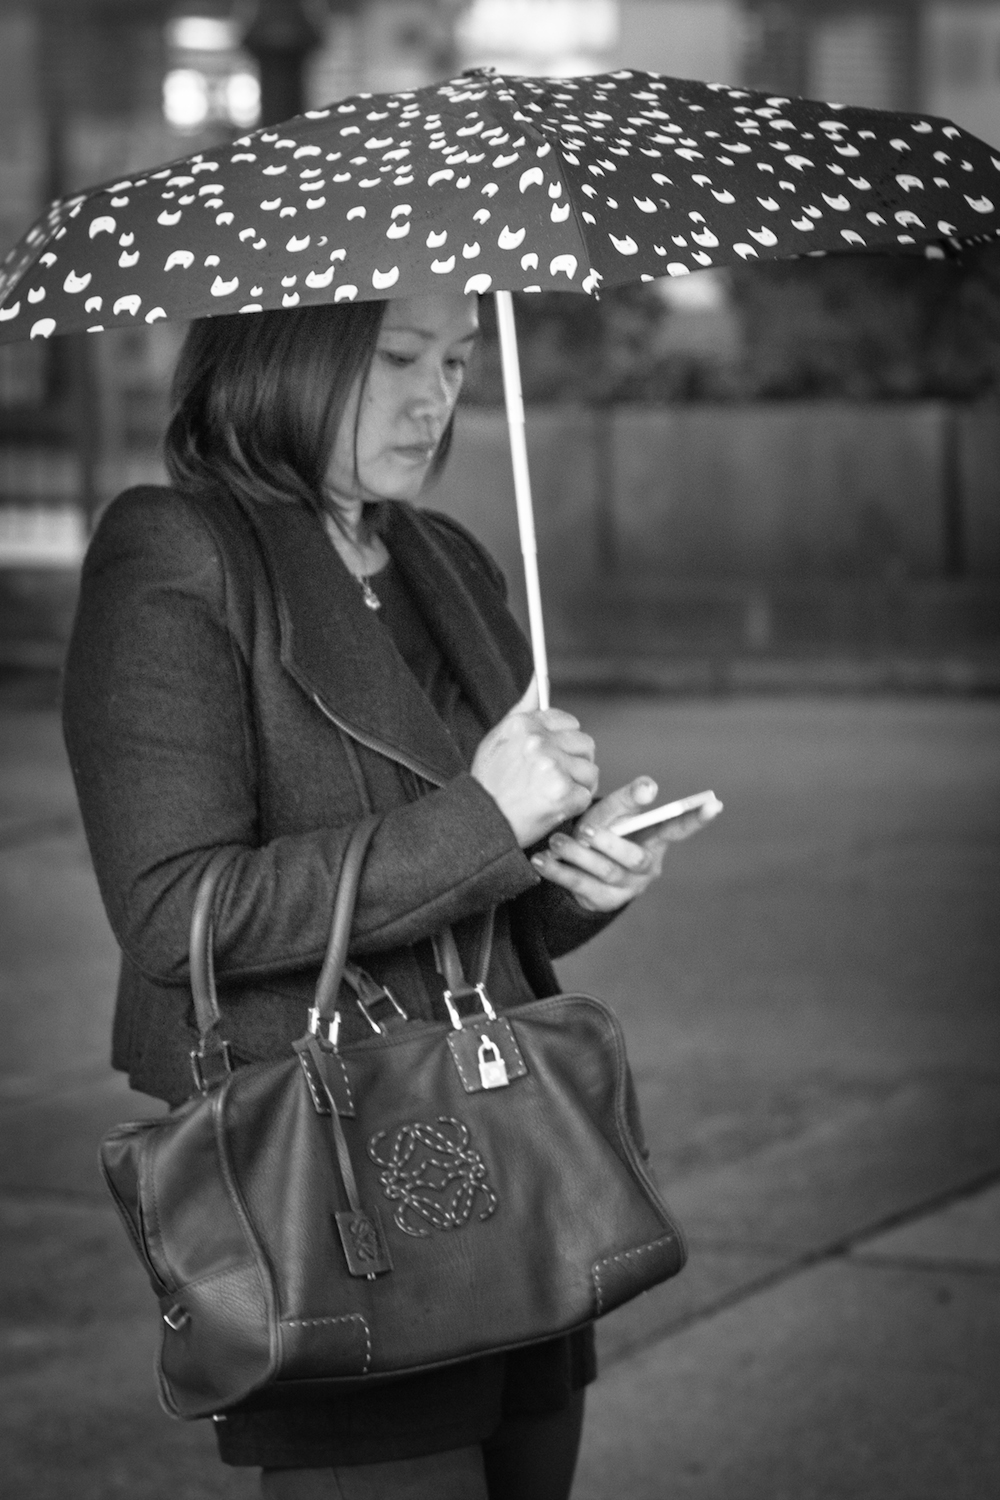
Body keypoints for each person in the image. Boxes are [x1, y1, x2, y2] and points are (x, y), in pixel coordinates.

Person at [62, 290, 686, 1500]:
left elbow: (484, 897)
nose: (434, 395)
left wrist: (577, 875)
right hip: (331, 1158)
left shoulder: (441, 558)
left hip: (512, 1136)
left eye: (454, 361)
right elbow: (179, 912)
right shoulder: (179, 552)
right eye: (395, 359)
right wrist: (485, 820)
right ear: (279, 362)